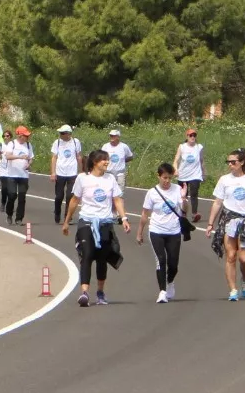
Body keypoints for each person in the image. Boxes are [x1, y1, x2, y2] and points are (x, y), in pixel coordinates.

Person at [60, 149, 128, 307]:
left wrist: (123, 218)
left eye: (107, 159)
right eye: (104, 160)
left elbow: (117, 200)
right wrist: (66, 221)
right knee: (87, 255)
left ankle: (100, 292)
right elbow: (74, 200)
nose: (107, 162)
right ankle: (84, 293)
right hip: (87, 222)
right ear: (94, 162)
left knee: (102, 259)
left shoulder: (110, 178)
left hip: (105, 223)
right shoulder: (82, 179)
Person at [207, 148, 245, 302]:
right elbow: (218, 202)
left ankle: (244, 280)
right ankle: (233, 290)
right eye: (229, 162)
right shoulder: (224, 180)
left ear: (242, 162)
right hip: (229, 220)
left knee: (244, 258)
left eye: (233, 162)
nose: (230, 165)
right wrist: (210, 223)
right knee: (231, 256)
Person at [138, 162, 187, 303]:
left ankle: (170, 281)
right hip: (156, 230)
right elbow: (144, 214)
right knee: (161, 260)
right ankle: (162, 291)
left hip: (174, 231)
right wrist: (139, 233)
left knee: (173, 264)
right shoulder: (152, 193)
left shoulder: (177, 189)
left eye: (169, 178)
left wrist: (183, 198)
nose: (167, 181)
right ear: (158, 176)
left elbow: (185, 211)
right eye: (164, 178)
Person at [0, 126, 34, 224]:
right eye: (25, 135)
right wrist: (20, 157)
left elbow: (31, 157)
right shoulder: (12, 144)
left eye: (27, 136)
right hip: (12, 175)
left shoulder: (28, 145)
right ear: (19, 135)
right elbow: (8, 156)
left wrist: (29, 164)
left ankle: (19, 218)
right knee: (12, 195)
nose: (27, 137)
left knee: (22, 196)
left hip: (24, 175)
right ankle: (9, 214)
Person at [51, 125, 84, 224]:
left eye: (62, 133)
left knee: (70, 196)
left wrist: (82, 171)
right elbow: (54, 158)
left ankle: (67, 216)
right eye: (60, 133)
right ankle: (57, 212)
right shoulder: (57, 143)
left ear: (68, 134)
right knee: (59, 196)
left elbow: (78, 156)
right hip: (60, 172)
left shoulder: (75, 142)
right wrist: (53, 172)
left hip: (72, 173)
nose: (60, 135)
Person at [173, 128, 206, 219]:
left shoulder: (199, 147)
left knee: (194, 193)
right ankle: (183, 213)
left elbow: (202, 161)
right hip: (183, 175)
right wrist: (175, 169)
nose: (192, 137)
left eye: (194, 135)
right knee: (184, 195)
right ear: (187, 136)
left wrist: (204, 173)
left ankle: (194, 214)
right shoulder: (182, 147)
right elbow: (176, 160)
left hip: (195, 174)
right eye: (190, 135)